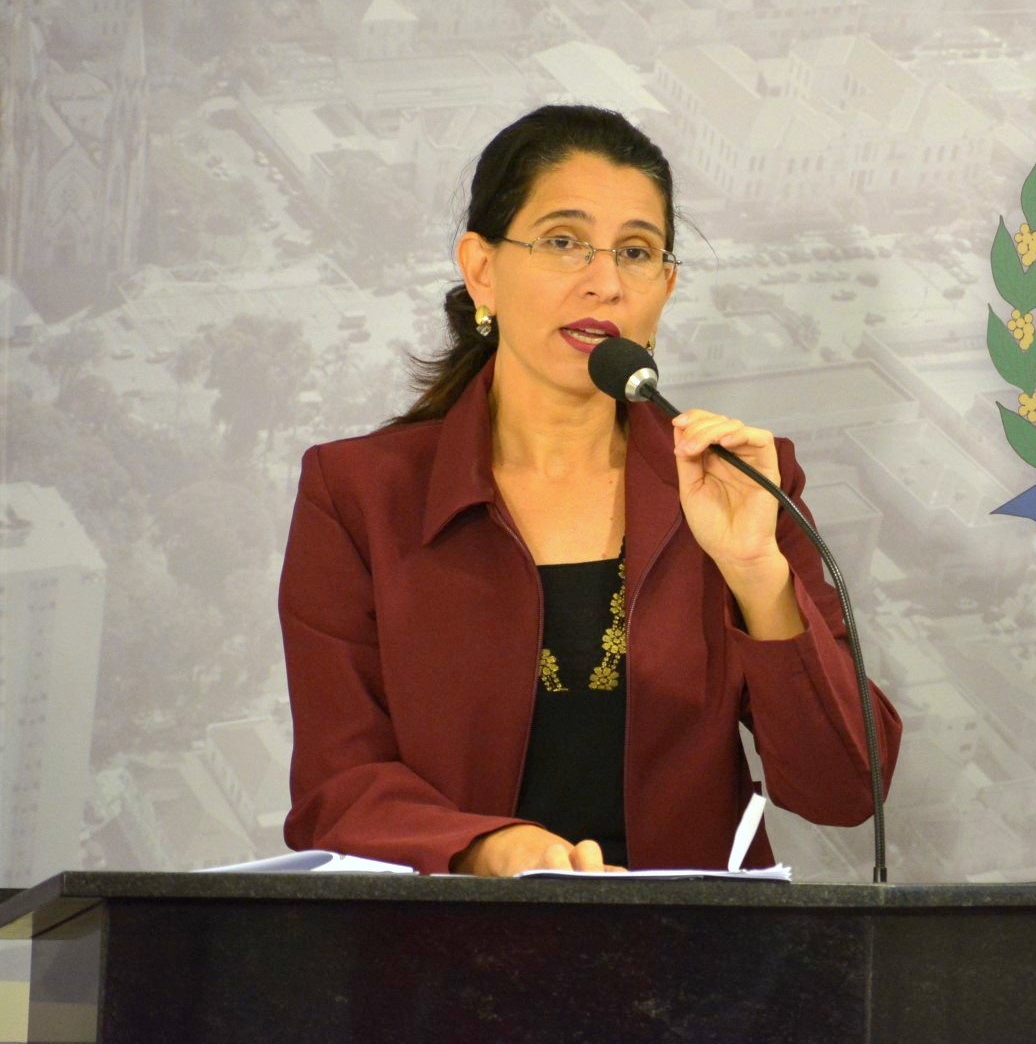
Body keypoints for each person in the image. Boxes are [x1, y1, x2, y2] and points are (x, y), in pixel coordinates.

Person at [278, 105, 901, 876]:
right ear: (481, 269)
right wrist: (485, 850)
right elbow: (337, 790)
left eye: (635, 253)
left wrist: (756, 574)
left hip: (692, 943)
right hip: (453, 935)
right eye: (563, 242)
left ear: (665, 287)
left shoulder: (736, 481)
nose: (604, 283)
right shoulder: (359, 495)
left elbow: (845, 790)